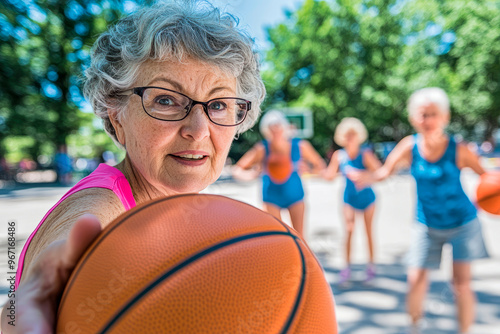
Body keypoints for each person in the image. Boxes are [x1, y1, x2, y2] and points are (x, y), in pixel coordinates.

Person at [0, 0, 266, 332]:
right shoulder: (101, 207)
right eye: (166, 99)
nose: (198, 129)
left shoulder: (172, 205)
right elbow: (73, 242)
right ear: (117, 115)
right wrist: (37, 301)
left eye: (220, 104)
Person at [351, 87, 489, 333]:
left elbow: (487, 179)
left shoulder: (459, 149)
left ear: (444, 117)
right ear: (414, 118)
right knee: (415, 281)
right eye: (423, 114)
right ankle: (414, 327)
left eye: (434, 114)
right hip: (426, 224)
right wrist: (366, 177)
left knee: (462, 285)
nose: (428, 120)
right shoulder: (409, 146)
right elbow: (384, 172)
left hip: (462, 224)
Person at [232, 110, 325, 237]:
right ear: (266, 130)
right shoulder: (262, 148)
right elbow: (237, 170)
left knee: (300, 238)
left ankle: (300, 257)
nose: (275, 131)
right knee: (277, 238)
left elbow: (320, 166)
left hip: (295, 196)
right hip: (271, 197)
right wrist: (252, 174)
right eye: (271, 128)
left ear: (284, 127)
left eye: (278, 127)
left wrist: (309, 170)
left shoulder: (300, 146)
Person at [323, 117, 382, 284]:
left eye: (353, 134)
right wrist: (316, 170)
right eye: (347, 135)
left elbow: (380, 173)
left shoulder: (365, 154)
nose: (350, 138)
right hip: (349, 198)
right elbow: (329, 175)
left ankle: (371, 268)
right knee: (349, 230)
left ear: (359, 136)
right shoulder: (339, 156)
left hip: (368, 198)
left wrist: (364, 176)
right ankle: (346, 269)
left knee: (369, 231)